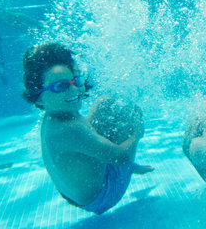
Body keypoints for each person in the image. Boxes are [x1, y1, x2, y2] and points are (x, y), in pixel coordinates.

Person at [22, 43, 153, 215]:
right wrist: (137, 133)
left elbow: (86, 138)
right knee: (130, 120)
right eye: (60, 86)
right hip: (103, 196)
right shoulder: (68, 129)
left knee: (105, 103)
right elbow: (121, 157)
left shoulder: (55, 114)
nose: (73, 90)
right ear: (38, 97)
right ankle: (130, 169)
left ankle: (127, 166)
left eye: (75, 81)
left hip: (77, 195)